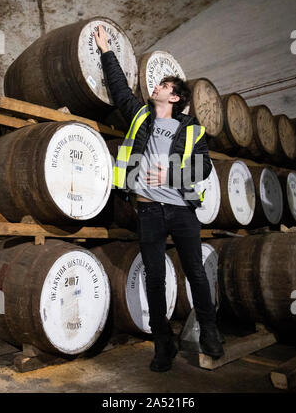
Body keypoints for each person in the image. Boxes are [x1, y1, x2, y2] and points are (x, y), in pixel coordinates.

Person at [94, 25, 224, 372]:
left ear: (176, 97)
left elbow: (204, 167)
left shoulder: (192, 129)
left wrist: (169, 175)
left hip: (182, 210)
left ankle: (210, 332)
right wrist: (106, 51)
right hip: (149, 210)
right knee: (155, 277)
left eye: (164, 86)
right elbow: (120, 89)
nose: (156, 87)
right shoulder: (140, 116)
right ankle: (162, 343)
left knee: (195, 273)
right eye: (159, 84)